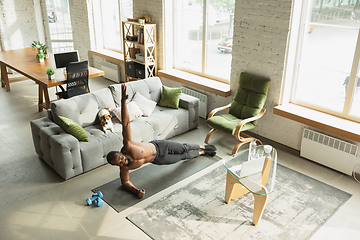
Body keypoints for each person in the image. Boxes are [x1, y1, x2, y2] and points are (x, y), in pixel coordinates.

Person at [106, 84, 217, 199]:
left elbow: (126, 124)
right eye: (119, 163)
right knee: (182, 157)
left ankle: (203, 147)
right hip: (158, 159)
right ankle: (203, 153)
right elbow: (125, 182)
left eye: (121, 158)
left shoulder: (128, 145)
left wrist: (123, 102)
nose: (122, 162)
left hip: (160, 146)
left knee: (184, 148)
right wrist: (136, 191)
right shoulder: (124, 168)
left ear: (120, 152)